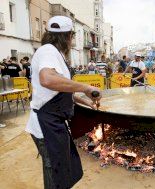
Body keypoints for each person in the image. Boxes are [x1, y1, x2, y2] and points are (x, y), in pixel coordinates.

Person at [25, 16, 101, 189]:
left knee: (61, 171)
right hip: (46, 125)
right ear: (67, 36)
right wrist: (86, 87)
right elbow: (47, 79)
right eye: (72, 36)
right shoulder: (48, 51)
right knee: (55, 174)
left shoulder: (54, 53)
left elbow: (59, 90)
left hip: (54, 122)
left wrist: (84, 101)